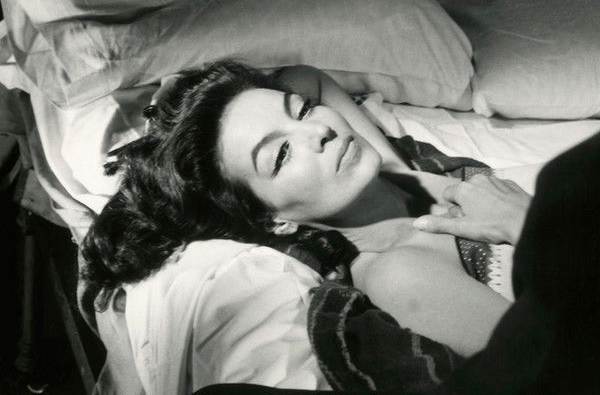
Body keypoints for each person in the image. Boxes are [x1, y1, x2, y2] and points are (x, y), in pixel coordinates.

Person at [81, 59, 530, 361]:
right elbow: (554, 371)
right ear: (271, 219)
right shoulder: (399, 273)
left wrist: (185, 105)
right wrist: (522, 220)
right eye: (280, 155)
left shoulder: (393, 173)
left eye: (302, 111)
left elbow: (304, 77)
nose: (318, 132)